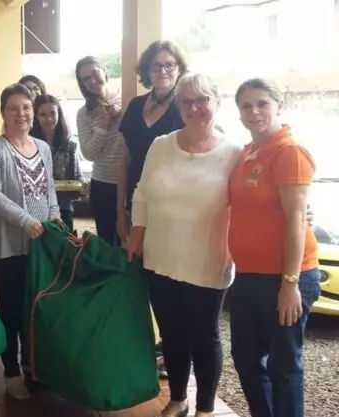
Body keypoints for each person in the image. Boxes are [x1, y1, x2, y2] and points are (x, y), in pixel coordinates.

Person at [127, 73, 242, 417]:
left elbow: (256, 199)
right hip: (160, 258)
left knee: (205, 337)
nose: (194, 108)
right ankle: (178, 399)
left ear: (217, 103)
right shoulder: (161, 145)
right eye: (186, 102)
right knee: (172, 334)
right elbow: (142, 193)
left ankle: (205, 408)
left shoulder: (235, 152)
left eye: (202, 100)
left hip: (208, 260)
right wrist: (136, 234)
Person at [228, 78, 321, 417]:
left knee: (284, 366)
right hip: (249, 275)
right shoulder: (246, 153)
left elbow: (296, 220)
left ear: (279, 106)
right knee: (244, 357)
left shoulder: (289, 151)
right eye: (246, 105)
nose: (254, 111)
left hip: (286, 276)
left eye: (262, 103)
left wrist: (290, 283)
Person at [0, 83, 60, 400]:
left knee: (35, 309)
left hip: (40, 245)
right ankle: (11, 370)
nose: (21, 114)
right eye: (13, 108)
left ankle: (33, 367)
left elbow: (49, 189)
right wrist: (27, 222)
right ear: (3, 113)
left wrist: (54, 216)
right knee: (10, 310)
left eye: (26, 108)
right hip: (8, 246)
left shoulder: (43, 147)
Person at [117, 40, 187, 246]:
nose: (163, 71)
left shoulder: (186, 108)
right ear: (147, 71)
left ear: (180, 69)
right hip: (135, 197)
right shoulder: (135, 105)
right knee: (135, 257)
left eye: (170, 65)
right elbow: (123, 160)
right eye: (156, 66)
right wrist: (120, 210)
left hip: (171, 204)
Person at [75, 56, 124, 246]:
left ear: (105, 71)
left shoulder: (128, 99)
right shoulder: (84, 113)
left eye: (95, 73)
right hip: (103, 184)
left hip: (130, 182)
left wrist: (122, 112)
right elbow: (88, 154)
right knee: (107, 244)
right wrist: (102, 127)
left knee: (131, 243)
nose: (92, 80)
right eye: (86, 78)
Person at [31, 94, 84, 232]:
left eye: (53, 113)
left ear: (59, 114)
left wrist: (83, 186)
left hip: (63, 206)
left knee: (66, 244)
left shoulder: (70, 145)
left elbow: (77, 176)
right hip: (36, 207)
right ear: (36, 116)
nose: (49, 119)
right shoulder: (29, 144)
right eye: (43, 114)